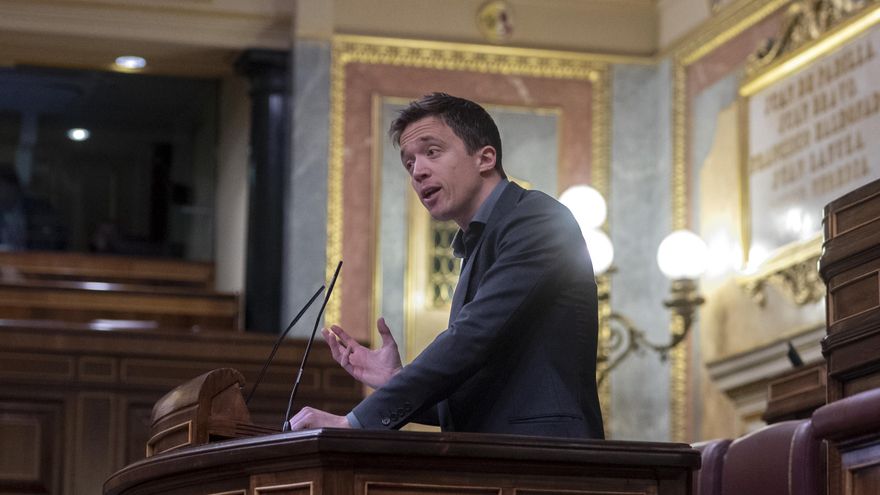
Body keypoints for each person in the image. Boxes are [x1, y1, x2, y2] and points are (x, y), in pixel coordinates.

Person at [288, 93, 604, 438]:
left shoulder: (537, 219)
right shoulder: (478, 244)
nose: (418, 171)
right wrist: (394, 380)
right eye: (409, 163)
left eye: (432, 152)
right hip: (495, 458)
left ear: (485, 158)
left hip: (550, 459)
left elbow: (472, 337)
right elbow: (477, 395)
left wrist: (356, 421)